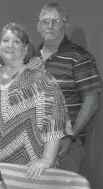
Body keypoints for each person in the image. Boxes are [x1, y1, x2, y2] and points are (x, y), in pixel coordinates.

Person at [0, 23, 72, 179]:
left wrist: (46, 160)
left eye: (16, 41)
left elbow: (54, 120)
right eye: (5, 40)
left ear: (26, 49)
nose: (10, 45)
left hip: (28, 172)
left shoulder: (41, 80)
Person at [36, 3, 102, 173]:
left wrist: (70, 136)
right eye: (45, 21)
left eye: (55, 21)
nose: (49, 25)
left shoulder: (79, 57)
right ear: (38, 26)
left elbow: (92, 100)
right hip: (32, 144)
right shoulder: (30, 57)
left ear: (65, 26)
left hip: (64, 146)